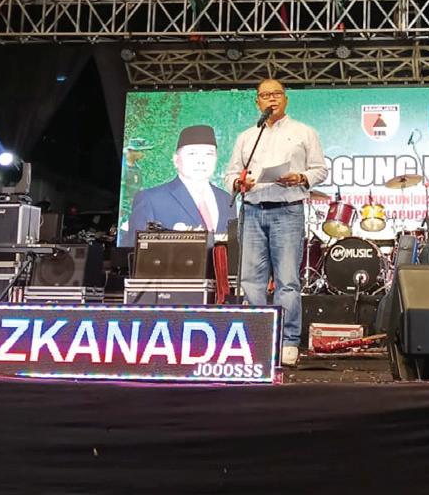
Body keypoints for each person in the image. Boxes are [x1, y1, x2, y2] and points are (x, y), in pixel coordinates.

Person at [225, 79, 328, 368]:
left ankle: (288, 340)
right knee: (251, 280)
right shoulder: (247, 136)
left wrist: (301, 177)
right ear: (257, 102)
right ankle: (258, 338)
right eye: (265, 95)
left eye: (276, 94)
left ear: (285, 99)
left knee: (287, 280)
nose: (271, 99)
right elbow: (230, 173)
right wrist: (238, 183)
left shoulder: (304, 132)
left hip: (287, 210)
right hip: (252, 210)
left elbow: (320, 169)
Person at [127, 125, 235, 241]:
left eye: (209, 154)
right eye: (192, 154)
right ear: (176, 160)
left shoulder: (227, 200)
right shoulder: (151, 199)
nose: (201, 161)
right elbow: (133, 247)